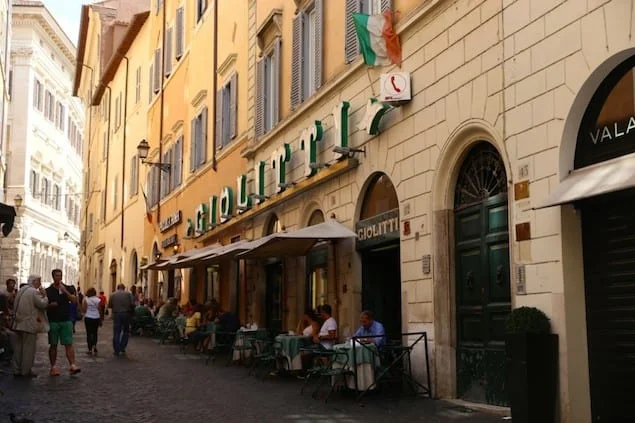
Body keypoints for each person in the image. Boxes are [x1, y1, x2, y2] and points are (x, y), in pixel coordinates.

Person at [11, 275, 48, 377]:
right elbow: (43, 304)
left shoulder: (21, 290)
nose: (40, 284)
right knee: (28, 349)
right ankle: (26, 371)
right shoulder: (33, 292)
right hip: (28, 324)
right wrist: (44, 295)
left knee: (18, 348)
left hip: (18, 323)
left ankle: (17, 369)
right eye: (39, 282)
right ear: (34, 282)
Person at [45, 269, 81, 375]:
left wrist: (65, 291)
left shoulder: (69, 288)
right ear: (53, 277)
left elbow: (74, 301)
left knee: (69, 344)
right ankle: (53, 367)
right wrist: (50, 305)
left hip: (66, 320)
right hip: (53, 321)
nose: (59, 278)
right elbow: (43, 305)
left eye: (60, 276)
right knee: (53, 345)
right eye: (56, 276)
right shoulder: (48, 290)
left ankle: (72, 365)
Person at [108, 283, 134, 356]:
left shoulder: (113, 294)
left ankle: (116, 349)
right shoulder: (128, 294)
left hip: (117, 314)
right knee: (126, 331)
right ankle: (122, 347)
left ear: (117, 287)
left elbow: (109, 305)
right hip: (126, 314)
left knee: (117, 332)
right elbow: (132, 304)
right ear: (124, 288)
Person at [82, 288, 102, 355]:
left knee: (89, 333)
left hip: (88, 317)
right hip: (96, 317)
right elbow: (99, 310)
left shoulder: (86, 300)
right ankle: (95, 346)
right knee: (95, 332)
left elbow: (84, 309)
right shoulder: (98, 300)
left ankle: (90, 349)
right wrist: (100, 319)